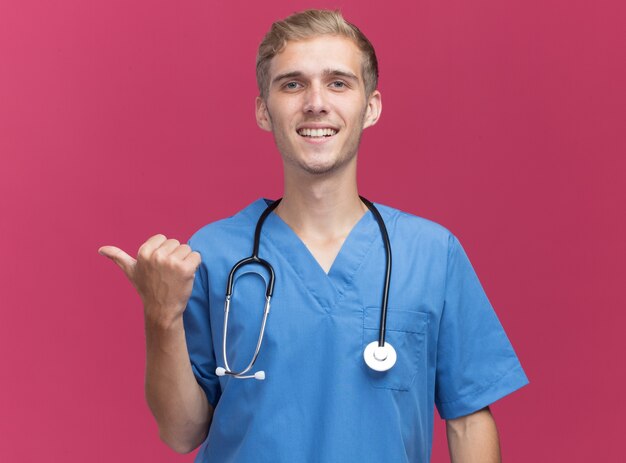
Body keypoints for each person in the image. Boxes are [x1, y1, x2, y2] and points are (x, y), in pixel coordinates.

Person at [99, 9, 528, 463]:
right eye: (292, 84)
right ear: (264, 111)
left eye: (339, 83)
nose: (316, 102)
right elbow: (182, 432)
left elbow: (467, 420)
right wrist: (161, 317)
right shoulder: (215, 254)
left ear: (372, 106)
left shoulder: (431, 254)